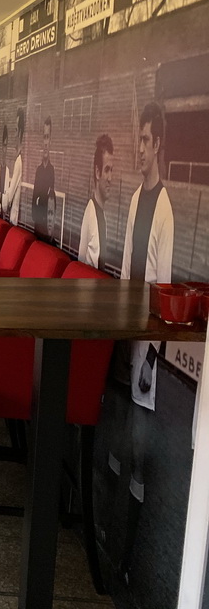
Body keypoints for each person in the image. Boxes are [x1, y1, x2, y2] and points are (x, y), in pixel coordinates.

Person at [111, 101, 174, 583]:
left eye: (146, 140)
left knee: (138, 443)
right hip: (124, 328)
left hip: (146, 345)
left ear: (159, 145)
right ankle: (111, 534)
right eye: (138, 138)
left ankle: (129, 557)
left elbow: (163, 285)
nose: (139, 147)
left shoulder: (165, 210)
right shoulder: (134, 199)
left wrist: (151, 355)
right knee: (119, 432)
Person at [78, 134, 114, 271]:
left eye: (112, 170)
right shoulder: (91, 212)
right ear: (97, 173)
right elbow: (80, 264)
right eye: (106, 170)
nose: (110, 178)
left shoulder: (101, 215)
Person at [32, 117, 55, 239]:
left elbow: (51, 200)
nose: (45, 143)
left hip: (47, 226)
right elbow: (34, 197)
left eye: (48, 137)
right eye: (44, 137)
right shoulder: (38, 170)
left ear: (50, 141)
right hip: (38, 225)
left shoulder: (52, 171)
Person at [2, 108, 24, 225]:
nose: (14, 134)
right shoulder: (17, 159)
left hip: (13, 220)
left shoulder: (19, 162)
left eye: (16, 130)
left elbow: (9, 198)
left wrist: (2, 200)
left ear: (20, 133)